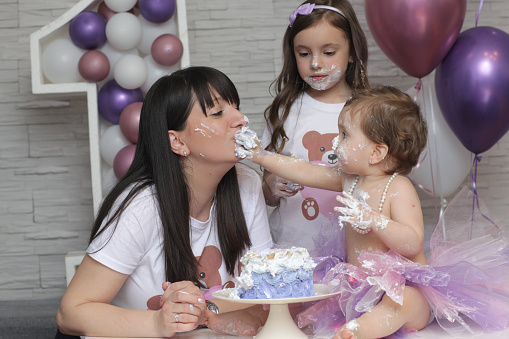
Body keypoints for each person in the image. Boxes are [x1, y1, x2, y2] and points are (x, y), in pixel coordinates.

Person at [238, 85, 509, 338]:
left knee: (401, 301)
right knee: (315, 293)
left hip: (405, 286)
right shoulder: (350, 179)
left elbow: (412, 241)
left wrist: (374, 220)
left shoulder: (398, 188)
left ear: (376, 153)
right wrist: (261, 156)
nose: (335, 141)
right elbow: (306, 170)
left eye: (344, 135)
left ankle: (358, 330)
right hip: (359, 286)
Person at [55, 66, 273, 338]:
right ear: (177, 141)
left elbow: (267, 295)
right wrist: (158, 323)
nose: (241, 119)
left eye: (236, 107)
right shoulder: (141, 206)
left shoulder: (247, 185)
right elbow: (70, 312)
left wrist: (207, 314)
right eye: (218, 113)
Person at [261, 0, 370, 252]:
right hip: (292, 249)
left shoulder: (369, 111)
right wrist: (273, 187)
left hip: (352, 250)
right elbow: (266, 190)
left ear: (352, 51)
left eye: (329, 52)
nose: (316, 63)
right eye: (304, 53)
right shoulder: (284, 112)